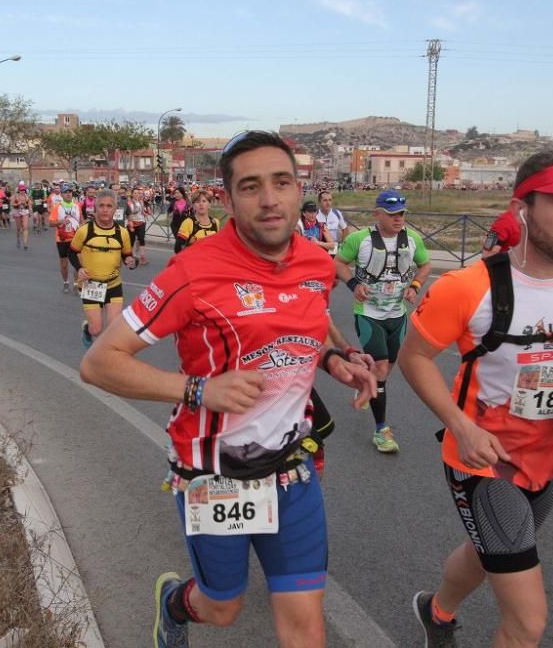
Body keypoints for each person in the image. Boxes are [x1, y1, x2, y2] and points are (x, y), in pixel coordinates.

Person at [78, 130, 376, 648]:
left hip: (290, 468)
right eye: (251, 186)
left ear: (298, 187)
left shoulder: (316, 262)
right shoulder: (193, 272)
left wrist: (336, 359)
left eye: (281, 183)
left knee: (307, 625)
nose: (269, 199)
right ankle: (174, 603)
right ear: (228, 197)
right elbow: (99, 362)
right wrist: (198, 391)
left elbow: (305, 324)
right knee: (222, 606)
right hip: (212, 473)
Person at [399, 150, 553, 647]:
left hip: (552, 457)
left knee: (487, 553)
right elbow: (413, 357)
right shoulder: (468, 286)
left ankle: (435, 612)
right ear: (522, 206)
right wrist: (461, 425)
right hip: (485, 460)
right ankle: (440, 614)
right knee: (528, 622)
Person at [335, 190, 431, 453]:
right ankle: (381, 430)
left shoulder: (411, 240)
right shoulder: (359, 239)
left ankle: (368, 384)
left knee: (385, 370)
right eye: (391, 214)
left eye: (401, 213)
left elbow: (426, 265)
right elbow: (339, 263)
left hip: (397, 316)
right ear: (377, 214)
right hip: (368, 313)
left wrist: (415, 285)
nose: (398, 219)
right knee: (379, 367)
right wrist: (353, 283)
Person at [69, 191, 135, 348]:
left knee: (113, 329)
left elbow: (127, 256)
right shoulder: (85, 230)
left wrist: (131, 261)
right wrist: (79, 268)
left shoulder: (122, 233)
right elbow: (71, 252)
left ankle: (103, 361)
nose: (105, 210)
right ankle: (87, 329)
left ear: (115, 210)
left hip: (113, 285)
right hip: (91, 285)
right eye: (101, 206)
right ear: (95, 209)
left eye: (109, 206)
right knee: (96, 329)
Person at [48, 187, 81, 293]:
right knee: (64, 263)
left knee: (77, 262)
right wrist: (61, 221)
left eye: (70, 192)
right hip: (62, 239)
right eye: (66, 192)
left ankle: (76, 284)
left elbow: (82, 221)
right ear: (62, 194)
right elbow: (51, 223)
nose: (68, 194)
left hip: (75, 238)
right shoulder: (57, 207)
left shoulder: (77, 206)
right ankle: (66, 282)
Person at [316, 190, 348, 256]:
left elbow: (345, 229)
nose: (328, 203)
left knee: (333, 265)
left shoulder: (337, 213)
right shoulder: (315, 215)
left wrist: (342, 244)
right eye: (325, 200)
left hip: (334, 247)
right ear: (319, 202)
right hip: (320, 247)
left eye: (330, 200)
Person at [125, 188, 150, 265]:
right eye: (135, 193)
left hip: (141, 222)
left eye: (138, 193)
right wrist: (130, 224)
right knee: (131, 241)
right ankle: (130, 256)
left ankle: (142, 256)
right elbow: (128, 214)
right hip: (132, 223)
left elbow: (142, 211)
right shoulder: (129, 203)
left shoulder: (141, 202)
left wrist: (145, 214)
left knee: (141, 239)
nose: (137, 195)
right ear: (132, 194)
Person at [11, 181, 31, 250]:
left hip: (25, 212)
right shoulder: (15, 196)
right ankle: (18, 239)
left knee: (25, 227)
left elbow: (30, 205)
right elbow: (12, 204)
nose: (22, 191)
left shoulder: (27, 197)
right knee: (18, 228)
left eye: (23, 190)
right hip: (17, 212)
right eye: (21, 190)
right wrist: (18, 204)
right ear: (19, 190)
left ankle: (25, 243)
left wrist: (28, 207)